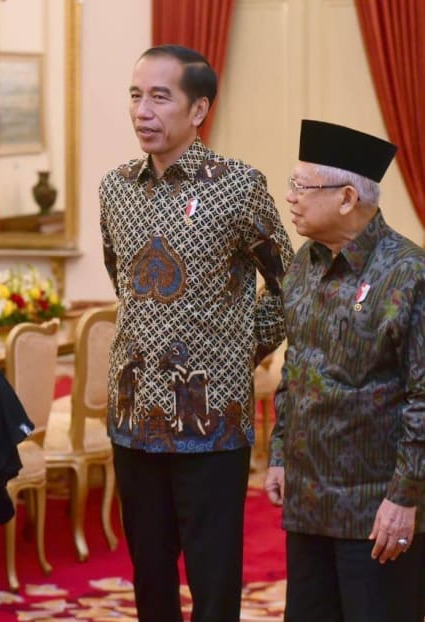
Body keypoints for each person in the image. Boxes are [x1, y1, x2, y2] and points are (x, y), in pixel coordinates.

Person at [99, 44, 294, 622]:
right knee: (150, 575)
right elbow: (124, 284)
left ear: (199, 109)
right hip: (133, 416)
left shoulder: (238, 186)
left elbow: (288, 283)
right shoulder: (115, 189)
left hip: (212, 420)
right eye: (136, 95)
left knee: (213, 580)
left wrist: (241, 350)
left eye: (161, 96)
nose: (143, 111)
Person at [265, 119, 425, 622]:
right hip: (309, 503)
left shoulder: (407, 273)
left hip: (374, 512)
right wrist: (279, 452)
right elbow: (296, 368)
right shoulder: (303, 263)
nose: (290, 197)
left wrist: (404, 498)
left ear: (346, 197)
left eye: (301, 186)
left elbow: (423, 398)